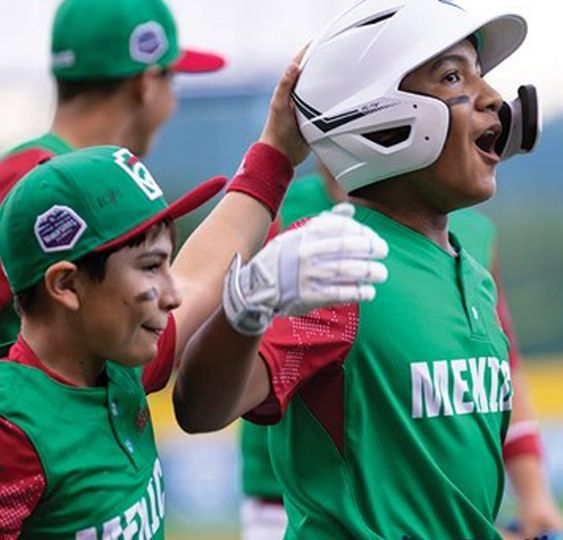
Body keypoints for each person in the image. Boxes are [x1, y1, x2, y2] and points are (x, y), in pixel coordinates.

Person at [173, 0, 545, 536]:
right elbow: (201, 408)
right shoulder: (339, 260)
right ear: (381, 116)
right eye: (454, 76)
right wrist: (245, 308)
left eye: (481, 76)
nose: (494, 100)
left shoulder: (472, 270)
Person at [0, 46, 389, 536]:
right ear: (66, 286)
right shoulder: (13, 430)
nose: (172, 293)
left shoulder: (118, 369)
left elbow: (202, 277)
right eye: (149, 268)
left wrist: (277, 150)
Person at [238, 166, 563, 539]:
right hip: (287, 503)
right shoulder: (276, 211)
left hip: (428, 510)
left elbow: (504, 366)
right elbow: (216, 369)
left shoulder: (474, 233)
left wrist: (534, 492)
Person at [0, 0, 226, 350]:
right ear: (147, 83)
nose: (172, 101)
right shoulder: (34, 182)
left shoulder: (38, 172)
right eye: (173, 81)